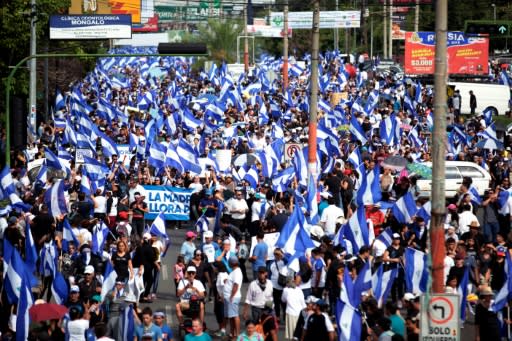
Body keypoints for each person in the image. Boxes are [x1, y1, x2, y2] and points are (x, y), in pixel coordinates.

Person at [222, 256, 243, 339]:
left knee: (235, 316)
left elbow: (236, 285)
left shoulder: (237, 272)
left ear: (231, 263)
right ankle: (232, 333)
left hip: (233, 297)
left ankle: (237, 334)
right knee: (231, 316)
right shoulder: (234, 272)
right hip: (229, 297)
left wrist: (231, 296)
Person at [281, 277, 306, 341]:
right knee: (300, 334)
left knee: (293, 335)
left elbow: (283, 300)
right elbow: (303, 303)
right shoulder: (299, 289)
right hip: (300, 314)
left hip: (291, 314)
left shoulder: (285, 290)